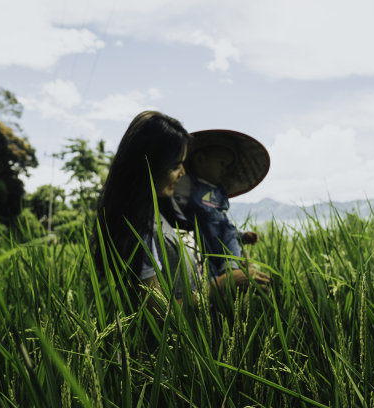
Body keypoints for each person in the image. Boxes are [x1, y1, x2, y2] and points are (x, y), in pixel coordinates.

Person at [93, 112, 269, 315]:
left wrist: (235, 260)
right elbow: (160, 314)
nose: (183, 173)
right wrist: (221, 285)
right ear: (149, 164)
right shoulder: (137, 229)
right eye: (176, 166)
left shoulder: (171, 212)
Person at [174, 131, 269, 276]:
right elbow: (174, 210)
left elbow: (223, 223)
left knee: (229, 231)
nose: (225, 170)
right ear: (200, 159)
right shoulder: (187, 184)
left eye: (228, 166)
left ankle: (231, 265)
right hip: (199, 242)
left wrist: (242, 235)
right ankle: (229, 269)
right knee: (207, 276)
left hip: (219, 243)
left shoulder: (219, 192)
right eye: (222, 163)